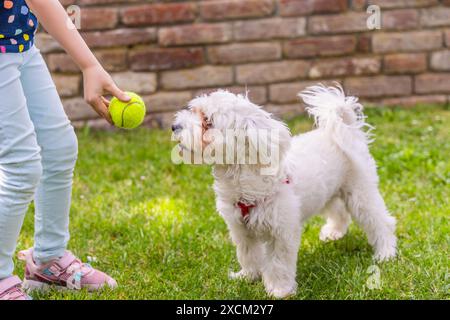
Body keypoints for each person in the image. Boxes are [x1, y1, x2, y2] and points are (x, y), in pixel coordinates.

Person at [0, 0, 130, 300]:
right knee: (21, 166)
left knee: (58, 148)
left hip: (20, 45)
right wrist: (88, 64)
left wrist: (90, 64)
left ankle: (48, 258)